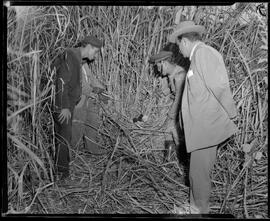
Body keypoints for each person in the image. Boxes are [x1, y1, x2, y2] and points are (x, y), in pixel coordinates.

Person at [169, 21, 238, 214]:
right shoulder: (198, 56)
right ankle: (196, 206)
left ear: (184, 41)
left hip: (207, 127)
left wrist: (232, 114)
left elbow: (219, 87)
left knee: (199, 172)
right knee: (197, 171)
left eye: (178, 44)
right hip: (201, 129)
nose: (178, 49)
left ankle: (198, 209)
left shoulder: (204, 54)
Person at [51, 35, 104, 183]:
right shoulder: (71, 55)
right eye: (96, 51)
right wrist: (63, 107)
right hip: (64, 107)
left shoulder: (77, 58)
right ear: (89, 47)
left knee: (64, 139)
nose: (96, 55)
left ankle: (62, 172)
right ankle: (62, 176)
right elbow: (61, 82)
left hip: (68, 105)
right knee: (64, 139)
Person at [149, 43, 190, 179]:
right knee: (169, 131)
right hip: (179, 107)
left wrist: (171, 115)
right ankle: (168, 164)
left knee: (176, 134)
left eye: (158, 66)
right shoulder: (171, 74)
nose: (158, 70)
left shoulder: (180, 75)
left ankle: (184, 167)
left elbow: (178, 99)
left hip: (185, 109)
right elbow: (169, 92)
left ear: (164, 63)